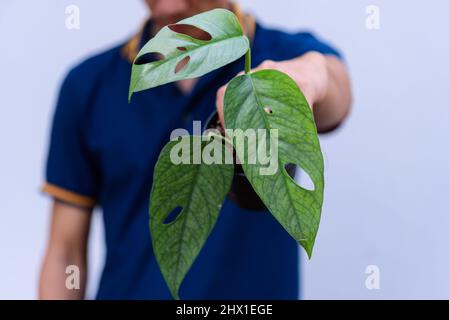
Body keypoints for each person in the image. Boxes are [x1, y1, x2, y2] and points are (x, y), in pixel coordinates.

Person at [39, 0, 352, 300]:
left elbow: (335, 92)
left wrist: (311, 76)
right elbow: (64, 250)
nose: (169, 5)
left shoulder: (281, 53)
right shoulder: (89, 85)